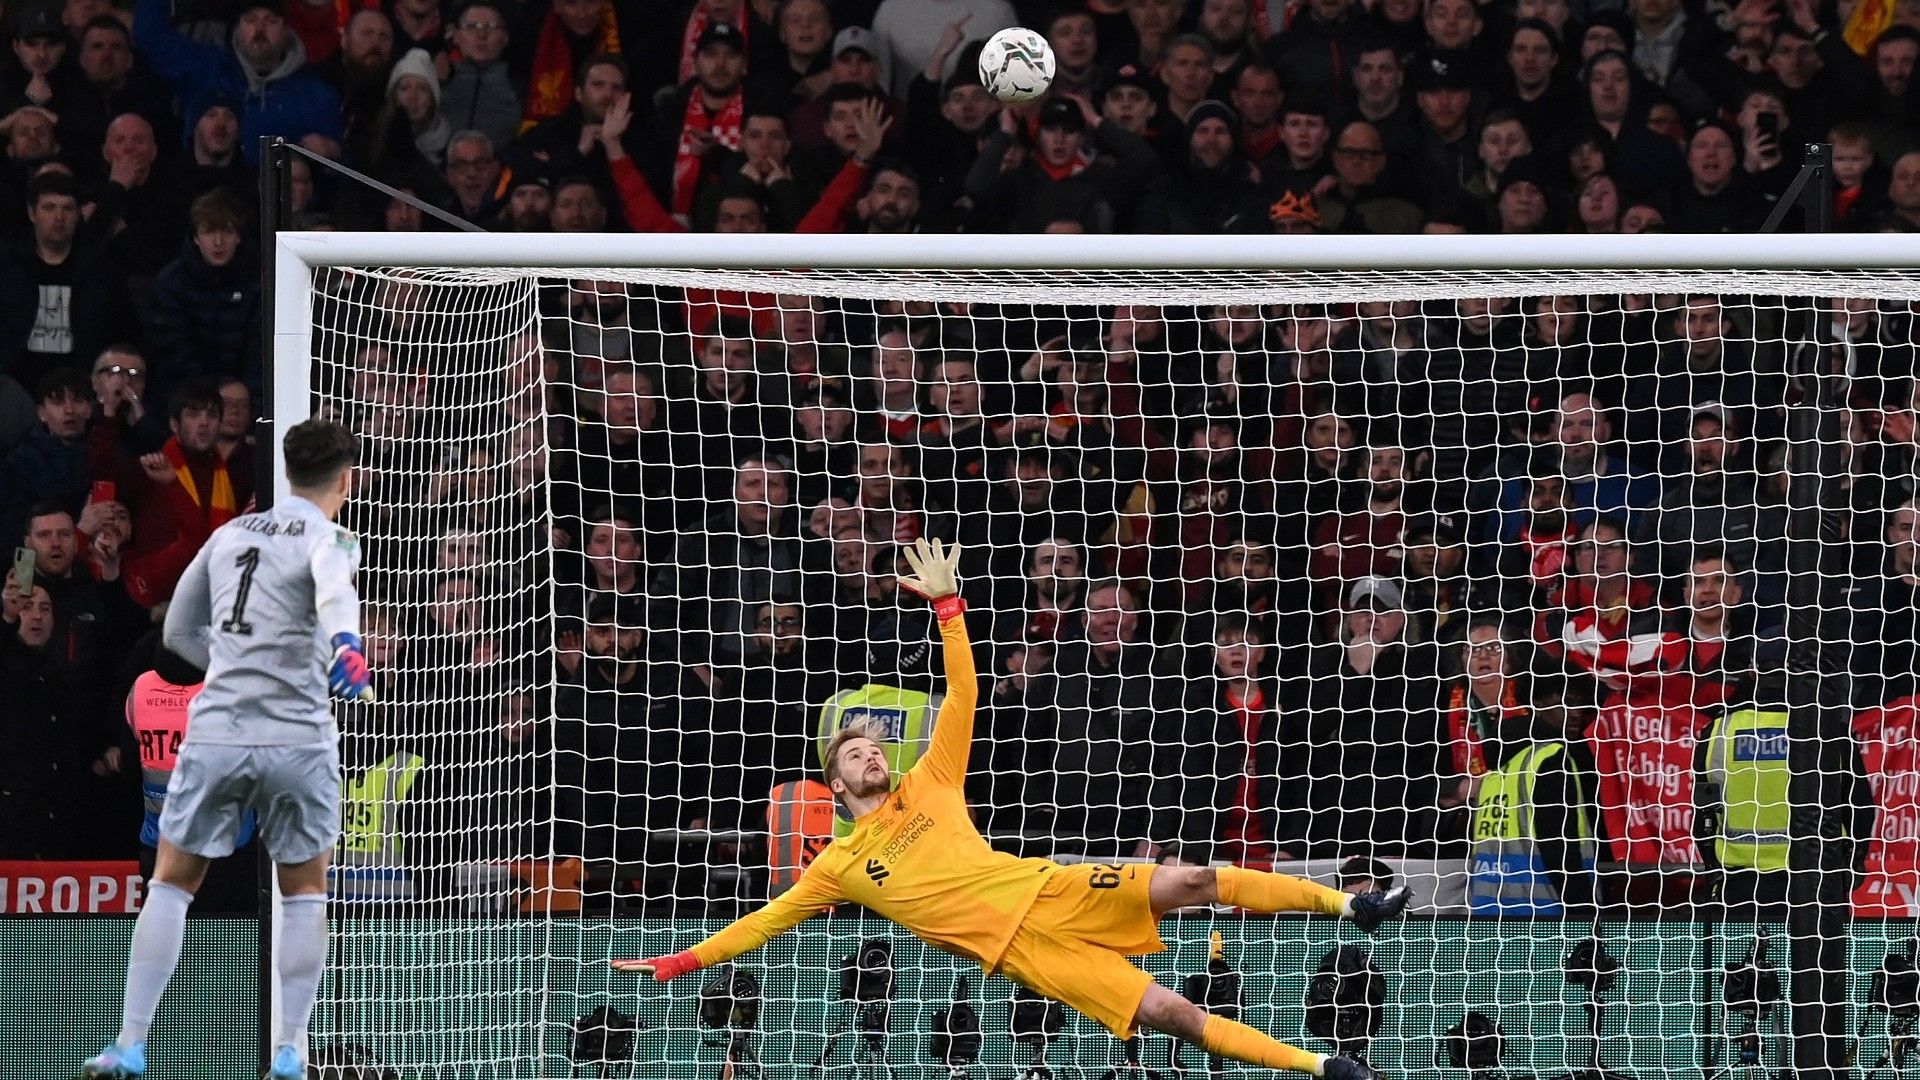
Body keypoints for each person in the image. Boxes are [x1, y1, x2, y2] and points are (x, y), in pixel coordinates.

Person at [613, 539, 1407, 1080]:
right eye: (855, 751)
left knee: (1193, 877)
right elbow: (763, 921)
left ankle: (1355, 904)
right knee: (1175, 1014)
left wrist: (949, 607)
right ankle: (1324, 1068)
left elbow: (963, 692)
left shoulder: (929, 780)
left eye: (874, 746)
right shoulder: (842, 867)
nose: (872, 752)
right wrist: (682, 961)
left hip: (1052, 886)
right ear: (836, 779)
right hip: (1028, 953)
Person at [84, 418, 371, 1080]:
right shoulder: (331, 538)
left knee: (171, 885)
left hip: (217, 732)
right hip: (296, 737)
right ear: (346, 480)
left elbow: (180, 634)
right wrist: (347, 647)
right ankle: (291, 1053)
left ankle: (128, 1044)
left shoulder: (228, 535)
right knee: (303, 892)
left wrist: (237, 662)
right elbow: (332, 591)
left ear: (286, 471)